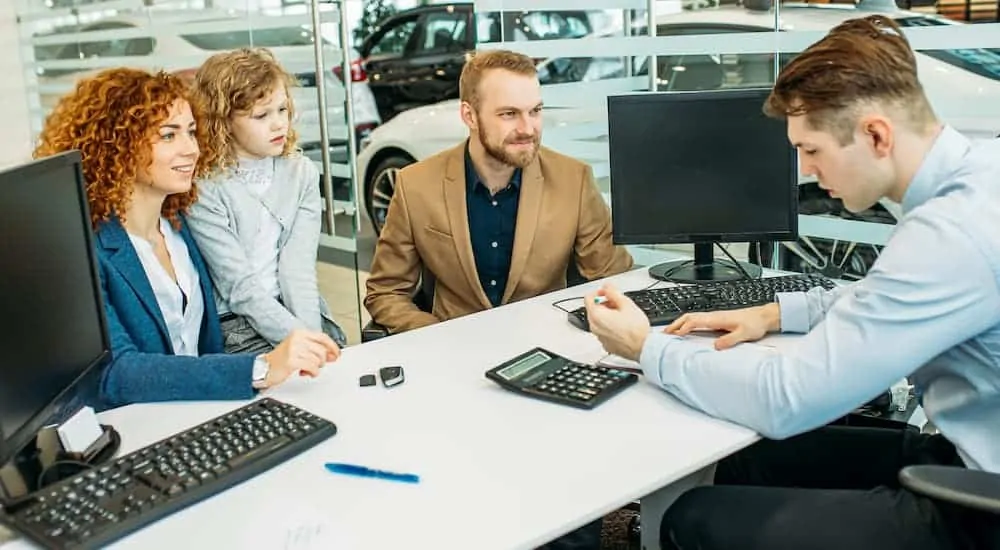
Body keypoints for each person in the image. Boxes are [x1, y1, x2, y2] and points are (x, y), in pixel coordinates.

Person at [583, 15, 1000, 550]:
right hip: (963, 454)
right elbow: (890, 298)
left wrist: (646, 347)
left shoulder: (950, 234)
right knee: (743, 463)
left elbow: (787, 398)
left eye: (811, 149)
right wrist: (775, 313)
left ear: (876, 134)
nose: (805, 170)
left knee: (694, 518)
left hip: (981, 508)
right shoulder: (978, 180)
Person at [33, 68, 341, 409]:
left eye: (191, 133)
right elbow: (114, 372)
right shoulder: (85, 250)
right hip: (136, 427)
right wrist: (261, 368)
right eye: (168, 136)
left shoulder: (179, 228)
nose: (191, 149)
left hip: (202, 411)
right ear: (115, 146)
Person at [364, 49, 633, 335]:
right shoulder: (416, 185)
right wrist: (434, 334)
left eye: (535, 111)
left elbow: (614, 281)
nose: (527, 128)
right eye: (509, 114)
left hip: (545, 348)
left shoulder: (573, 180)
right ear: (470, 115)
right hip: (453, 350)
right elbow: (386, 292)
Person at [186, 48, 347, 354]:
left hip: (298, 311)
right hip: (237, 324)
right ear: (223, 121)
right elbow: (239, 287)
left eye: (283, 110)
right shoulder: (206, 187)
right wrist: (299, 343)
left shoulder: (301, 173)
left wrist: (309, 337)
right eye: (261, 115)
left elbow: (297, 269)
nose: (278, 125)